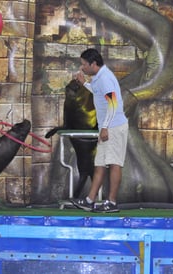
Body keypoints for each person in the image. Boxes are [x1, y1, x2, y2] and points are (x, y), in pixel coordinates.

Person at [71, 48, 128, 213]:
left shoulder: (105, 78)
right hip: (107, 127)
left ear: (93, 64)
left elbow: (113, 104)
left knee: (114, 163)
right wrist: (84, 84)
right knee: (100, 164)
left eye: (84, 65)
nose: (82, 68)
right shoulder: (98, 77)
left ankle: (112, 202)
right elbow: (98, 93)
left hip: (114, 127)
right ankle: (90, 200)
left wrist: (105, 127)